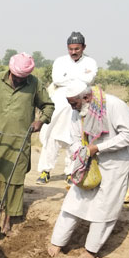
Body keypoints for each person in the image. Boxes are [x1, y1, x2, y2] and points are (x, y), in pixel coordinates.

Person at [47, 80, 129, 258]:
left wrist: (98, 148)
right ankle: (57, 242)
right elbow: (75, 137)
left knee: (105, 208)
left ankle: (91, 251)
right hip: (86, 162)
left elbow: (128, 136)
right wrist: (80, 152)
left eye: (74, 103)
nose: (72, 108)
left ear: (86, 97)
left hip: (114, 164)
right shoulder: (78, 110)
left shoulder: (114, 105)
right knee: (74, 201)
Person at [0, 53, 54, 235]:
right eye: (16, 76)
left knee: (13, 180)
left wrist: (40, 122)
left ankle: (8, 219)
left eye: (22, 78)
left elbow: (48, 105)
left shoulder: (34, 84)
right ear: (10, 70)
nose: (18, 80)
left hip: (19, 139)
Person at [36, 32, 98, 185]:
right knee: (52, 137)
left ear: (83, 47)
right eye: (70, 49)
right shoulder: (60, 61)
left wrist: (68, 78)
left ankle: (71, 172)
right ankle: (45, 171)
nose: (73, 52)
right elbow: (57, 79)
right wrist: (77, 78)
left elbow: (89, 79)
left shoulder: (90, 62)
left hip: (78, 107)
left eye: (77, 49)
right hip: (59, 105)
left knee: (75, 139)